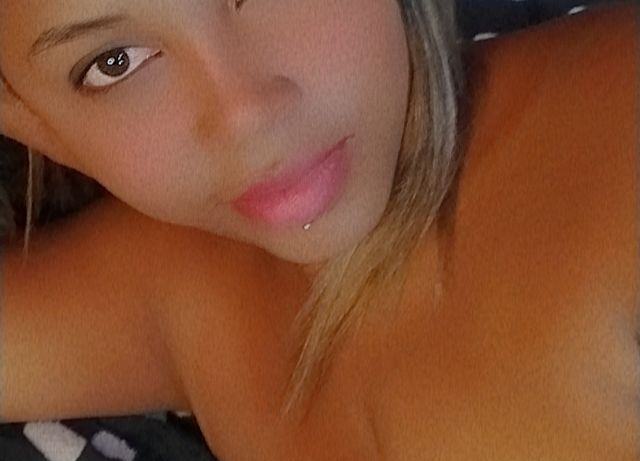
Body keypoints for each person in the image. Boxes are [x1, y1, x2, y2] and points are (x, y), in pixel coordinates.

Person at [0, 0, 638, 459]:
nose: (244, 114)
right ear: (35, 123)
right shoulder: (181, 286)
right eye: (114, 62)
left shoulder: (618, 132)